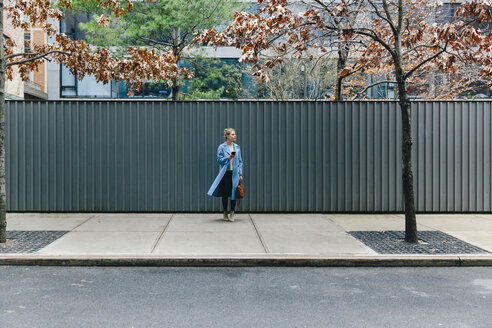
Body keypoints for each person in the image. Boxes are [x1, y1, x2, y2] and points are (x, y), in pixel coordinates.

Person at [207, 128, 243, 222]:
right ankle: (225, 212)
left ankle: (232, 212)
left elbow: (240, 161)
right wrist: (228, 158)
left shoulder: (237, 147)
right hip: (225, 173)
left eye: (234, 134)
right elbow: (219, 160)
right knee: (225, 194)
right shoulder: (222, 147)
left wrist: (240, 174)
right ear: (227, 136)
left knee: (233, 193)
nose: (234, 136)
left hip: (234, 173)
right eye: (232, 134)